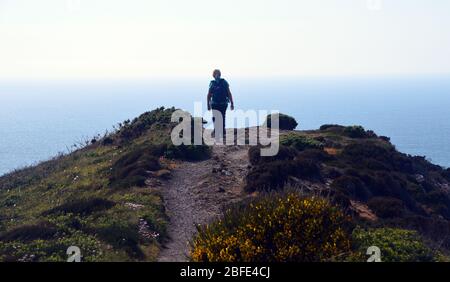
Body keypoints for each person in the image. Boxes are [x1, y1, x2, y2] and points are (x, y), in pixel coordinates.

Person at [207, 69, 234, 139]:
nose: (217, 75)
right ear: (214, 75)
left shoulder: (223, 82)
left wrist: (232, 103)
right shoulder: (213, 83)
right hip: (216, 103)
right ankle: (217, 131)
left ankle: (222, 131)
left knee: (221, 117)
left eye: (218, 74)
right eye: (215, 74)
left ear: (219, 74)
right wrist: (208, 104)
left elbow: (229, 93)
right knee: (216, 117)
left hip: (222, 103)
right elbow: (209, 94)